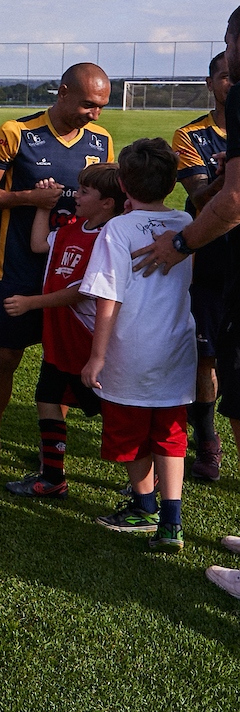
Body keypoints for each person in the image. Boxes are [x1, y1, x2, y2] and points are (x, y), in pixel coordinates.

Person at [0, 62, 114, 480]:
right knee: (6, 357)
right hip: (22, 268)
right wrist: (30, 198)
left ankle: (51, 448)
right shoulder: (16, 132)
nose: (96, 114)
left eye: (101, 106)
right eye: (88, 104)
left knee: (63, 362)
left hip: (73, 274)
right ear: (62, 91)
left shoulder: (101, 141)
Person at [81, 138, 194, 551]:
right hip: (178, 349)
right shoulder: (187, 224)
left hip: (130, 351)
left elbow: (107, 297)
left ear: (123, 185)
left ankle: (143, 507)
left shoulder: (117, 229)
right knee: (170, 433)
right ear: (172, 181)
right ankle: (172, 522)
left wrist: (97, 356)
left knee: (129, 435)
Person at [2, 164, 125, 498]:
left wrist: (33, 303)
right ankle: (53, 475)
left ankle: (148, 477)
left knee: (115, 412)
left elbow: (84, 289)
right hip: (60, 336)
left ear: (108, 204)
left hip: (87, 338)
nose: (76, 195)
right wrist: (43, 207)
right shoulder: (73, 226)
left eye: (85, 192)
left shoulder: (110, 239)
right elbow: (40, 243)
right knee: (47, 397)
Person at [171, 52, 232, 481]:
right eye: (225, 77)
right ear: (211, 82)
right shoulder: (191, 136)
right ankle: (207, 440)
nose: (232, 84)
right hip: (212, 259)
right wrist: (226, 179)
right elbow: (198, 200)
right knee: (206, 356)